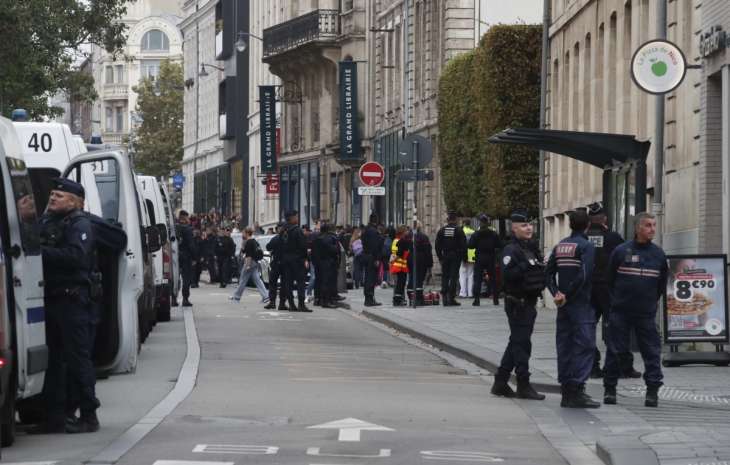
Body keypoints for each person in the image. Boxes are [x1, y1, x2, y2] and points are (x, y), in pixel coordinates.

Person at [33, 179, 100, 433]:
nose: (52, 198)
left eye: (59, 195)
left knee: (77, 360)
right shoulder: (47, 221)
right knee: (53, 361)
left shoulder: (79, 223)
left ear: (75, 202)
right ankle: (54, 417)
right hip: (52, 299)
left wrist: (40, 253)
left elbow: (76, 257)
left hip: (73, 301)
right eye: (51, 194)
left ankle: (89, 415)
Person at [603, 212, 668, 408]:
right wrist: (616, 303)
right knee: (615, 350)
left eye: (654, 225)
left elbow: (661, 285)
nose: (652, 229)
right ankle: (610, 389)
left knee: (651, 352)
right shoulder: (621, 251)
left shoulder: (658, 254)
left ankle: (652, 391)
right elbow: (609, 280)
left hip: (645, 313)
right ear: (638, 228)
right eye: (648, 225)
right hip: (620, 311)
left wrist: (650, 301)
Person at [546, 210, 601, 408]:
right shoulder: (586, 246)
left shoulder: (561, 245)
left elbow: (548, 272)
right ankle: (577, 389)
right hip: (581, 304)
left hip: (563, 306)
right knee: (584, 346)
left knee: (565, 346)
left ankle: (566, 390)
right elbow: (584, 274)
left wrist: (557, 293)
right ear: (587, 225)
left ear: (570, 225)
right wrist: (568, 294)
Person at [491, 209, 546, 401]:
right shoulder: (511, 250)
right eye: (524, 225)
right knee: (522, 344)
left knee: (516, 342)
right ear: (514, 228)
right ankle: (523, 384)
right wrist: (526, 266)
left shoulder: (530, 248)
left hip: (529, 302)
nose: (529, 228)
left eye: (530, 224)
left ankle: (500, 381)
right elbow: (507, 275)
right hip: (517, 303)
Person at [586, 202, 640, 379]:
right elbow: (628, 258)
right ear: (605, 219)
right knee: (617, 328)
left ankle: (593, 367)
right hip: (609, 289)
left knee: (587, 328)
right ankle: (621, 366)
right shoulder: (613, 238)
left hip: (588, 289)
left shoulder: (583, 238)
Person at [281, 210, 311, 312]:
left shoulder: (283, 230)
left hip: (286, 260)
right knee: (300, 282)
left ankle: (291, 304)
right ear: (292, 218)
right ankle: (301, 305)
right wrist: (306, 258)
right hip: (297, 260)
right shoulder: (297, 230)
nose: (297, 218)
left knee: (288, 283)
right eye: (296, 217)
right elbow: (303, 246)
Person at [435, 211, 467, 306]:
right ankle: (451, 298)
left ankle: (444, 297)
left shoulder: (442, 230)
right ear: (455, 220)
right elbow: (464, 245)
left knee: (445, 276)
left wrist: (440, 257)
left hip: (445, 256)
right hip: (455, 257)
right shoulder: (459, 230)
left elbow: (437, 246)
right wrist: (464, 257)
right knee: (453, 277)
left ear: (448, 220)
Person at [470, 214, 503, 306]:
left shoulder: (476, 234)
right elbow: (499, 245)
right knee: (493, 279)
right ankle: (495, 299)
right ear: (487, 223)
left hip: (479, 257)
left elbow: (470, 246)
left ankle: (477, 299)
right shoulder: (493, 233)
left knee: (478, 279)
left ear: (480, 222)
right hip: (490, 257)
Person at [230, 227, 269, 303]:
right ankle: (266, 296)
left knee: (242, 280)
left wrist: (247, 265)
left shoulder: (249, 242)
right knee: (257, 280)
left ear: (247, 233)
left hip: (250, 262)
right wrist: (242, 246)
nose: (242, 234)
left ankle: (236, 297)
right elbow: (245, 251)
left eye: (243, 233)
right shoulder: (253, 241)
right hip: (255, 262)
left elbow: (249, 255)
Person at [399, 223, 433, 306]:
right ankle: (418, 299)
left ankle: (411, 298)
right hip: (421, 258)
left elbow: (400, 245)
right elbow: (428, 251)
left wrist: (401, 255)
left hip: (410, 258)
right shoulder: (423, 237)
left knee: (411, 277)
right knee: (419, 278)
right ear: (419, 227)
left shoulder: (407, 236)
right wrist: (429, 264)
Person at [312, 221, 341, 308]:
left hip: (318, 263)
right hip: (327, 262)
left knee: (319, 281)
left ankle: (318, 299)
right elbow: (334, 250)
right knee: (326, 282)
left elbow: (313, 253)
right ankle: (326, 301)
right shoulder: (328, 239)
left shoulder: (317, 239)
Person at [362, 214, 384, 306]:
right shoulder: (374, 231)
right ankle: (370, 299)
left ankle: (368, 298)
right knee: (371, 278)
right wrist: (377, 259)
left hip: (366, 255)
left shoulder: (366, 230)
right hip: (372, 257)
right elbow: (375, 246)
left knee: (367, 277)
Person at [264, 222, 288, 310]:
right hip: (285, 264)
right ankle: (282, 303)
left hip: (277, 263)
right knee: (284, 284)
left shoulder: (276, 238)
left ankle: (272, 302)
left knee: (273, 283)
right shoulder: (288, 239)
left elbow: (268, 247)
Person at [177, 210, 196, 306]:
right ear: (184, 218)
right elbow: (191, 245)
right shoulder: (187, 229)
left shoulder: (175, 228)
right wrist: (195, 257)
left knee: (175, 277)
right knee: (186, 278)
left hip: (176, 255)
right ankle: (185, 298)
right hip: (186, 256)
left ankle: (173, 298)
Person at [390, 225, 409, 306]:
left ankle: (399, 299)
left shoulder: (396, 240)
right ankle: (398, 300)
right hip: (399, 265)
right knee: (400, 284)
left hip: (399, 265)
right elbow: (398, 253)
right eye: (406, 231)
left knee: (399, 284)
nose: (408, 232)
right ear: (403, 232)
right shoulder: (399, 241)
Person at [459, 220, 476, 299]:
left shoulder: (461, 231)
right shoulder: (473, 232)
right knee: (471, 275)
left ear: (464, 223)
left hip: (463, 255)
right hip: (472, 255)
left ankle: (463, 293)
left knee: (462, 274)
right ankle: (470, 293)